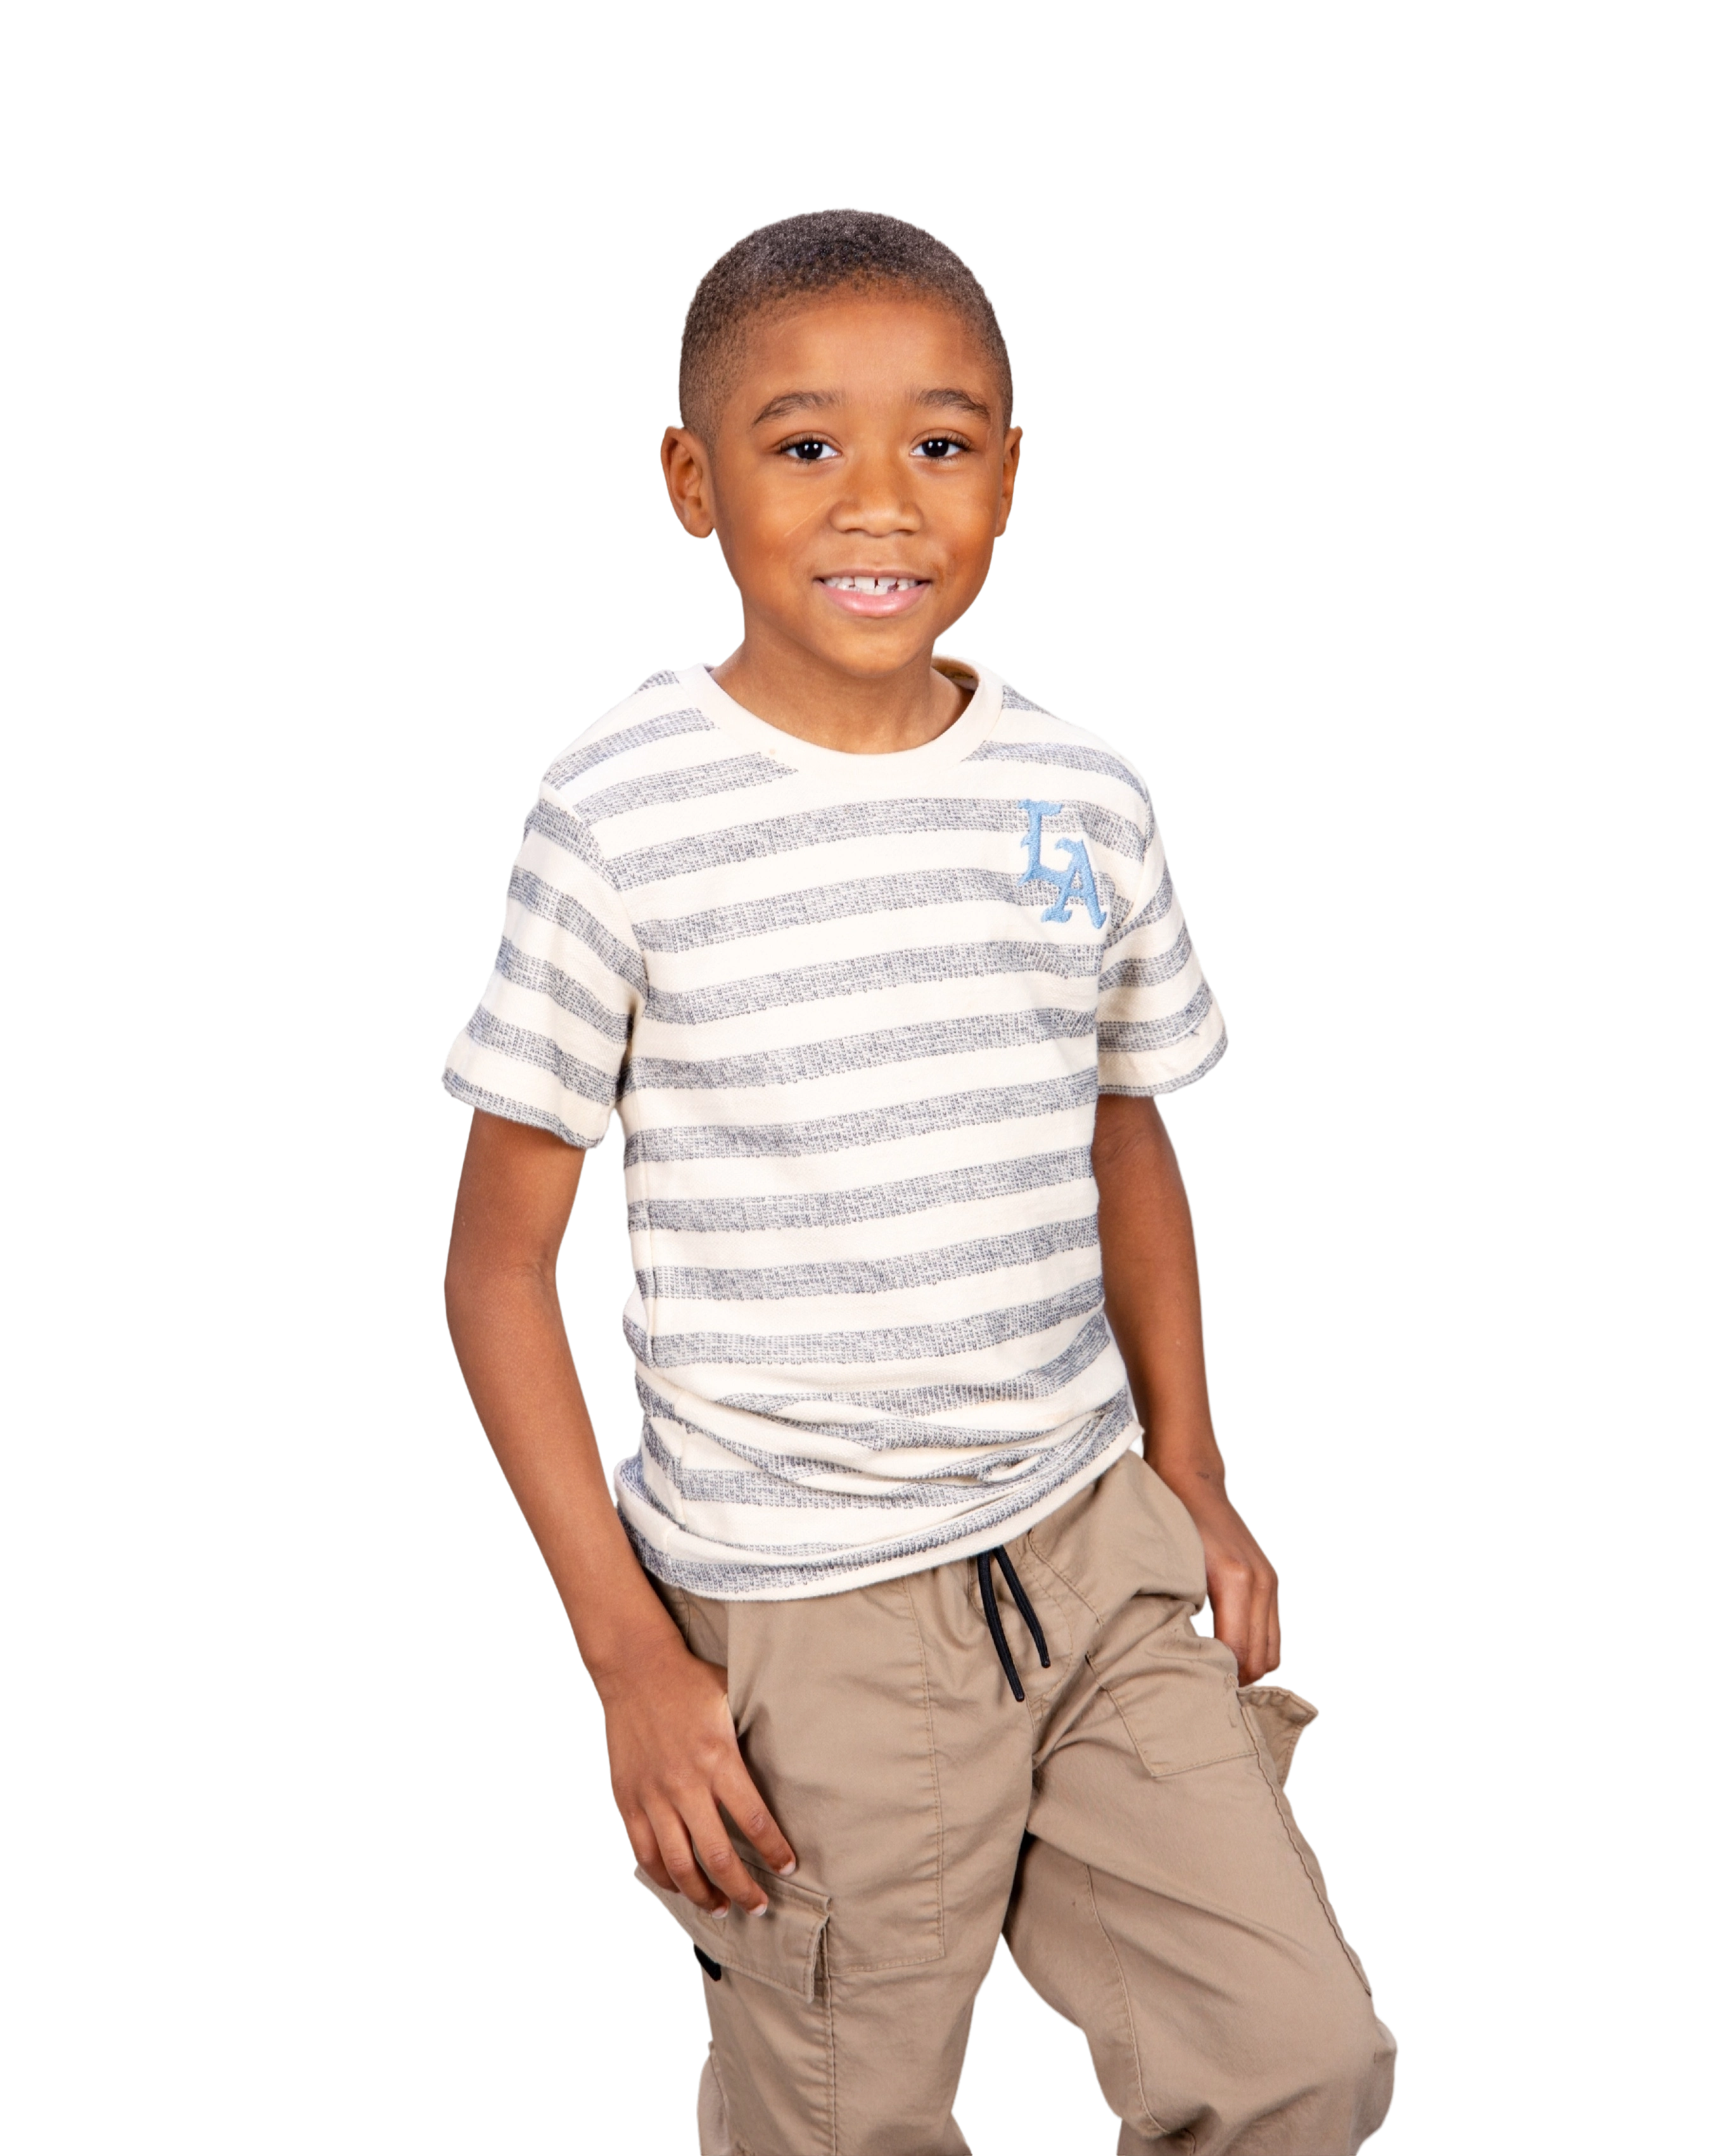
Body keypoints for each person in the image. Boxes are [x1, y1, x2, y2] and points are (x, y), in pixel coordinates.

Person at [440, 205, 1399, 2156]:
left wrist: (1196, 1471)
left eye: (941, 443)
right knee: (849, 2123)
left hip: (1091, 1547)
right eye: (805, 443)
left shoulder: (1079, 792)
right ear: (691, 484)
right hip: (806, 1620)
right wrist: (632, 1661)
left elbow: (1124, 1133)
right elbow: (496, 1267)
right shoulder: (624, 813)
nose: (879, 498)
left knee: (1304, 2059)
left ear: (1012, 478)